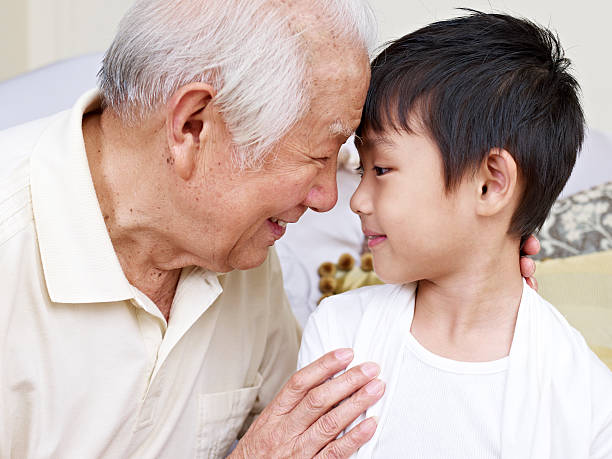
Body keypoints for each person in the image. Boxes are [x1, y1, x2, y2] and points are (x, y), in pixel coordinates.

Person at [0, 1, 540, 457]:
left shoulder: (237, 256)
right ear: (192, 125)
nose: (330, 198)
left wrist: (466, 298)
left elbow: (321, 432)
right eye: (318, 154)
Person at [298, 11, 612, 459]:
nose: (357, 200)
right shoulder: (340, 336)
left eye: (382, 170)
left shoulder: (585, 401)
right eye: (361, 170)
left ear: (490, 184)